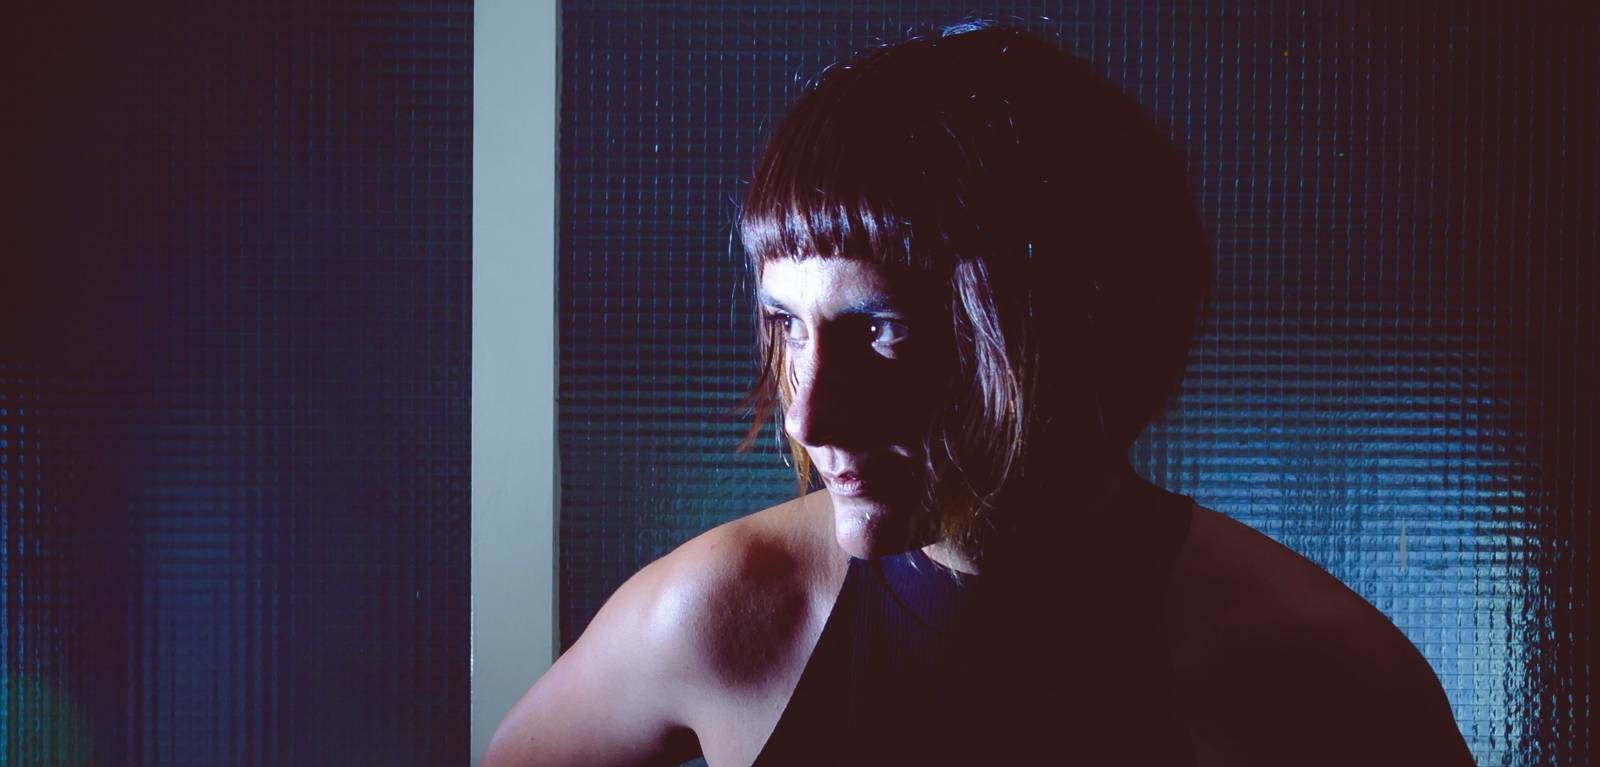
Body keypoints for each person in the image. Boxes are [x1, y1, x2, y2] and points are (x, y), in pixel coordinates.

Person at [485, 26, 1473, 766]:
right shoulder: (727, 613)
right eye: (787, 324)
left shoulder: (1306, 670)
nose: (807, 415)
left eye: (881, 328)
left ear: (1059, 328)